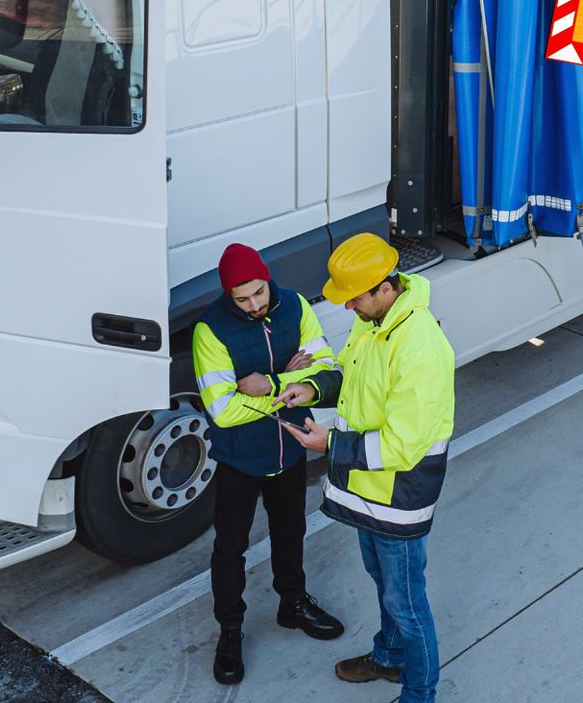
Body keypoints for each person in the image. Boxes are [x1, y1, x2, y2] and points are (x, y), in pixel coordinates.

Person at [282, 234, 454, 703]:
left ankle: (420, 694)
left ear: (383, 287)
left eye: (354, 297)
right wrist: (312, 391)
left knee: (407, 601)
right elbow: (352, 378)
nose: (348, 307)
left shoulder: (418, 346)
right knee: (385, 583)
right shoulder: (373, 322)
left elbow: (403, 444)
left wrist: (329, 444)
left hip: (399, 494)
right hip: (367, 487)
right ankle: (390, 657)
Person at [191, 243, 346, 685]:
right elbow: (221, 411)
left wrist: (269, 382)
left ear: (267, 279)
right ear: (228, 295)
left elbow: (329, 369)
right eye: (243, 299)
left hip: (291, 448)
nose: (254, 305)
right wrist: (294, 376)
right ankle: (231, 629)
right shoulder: (210, 331)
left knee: (291, 530)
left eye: (259, 293)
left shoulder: (296, 306)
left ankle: (292, 604)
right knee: (230, 547)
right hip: (240, 458)